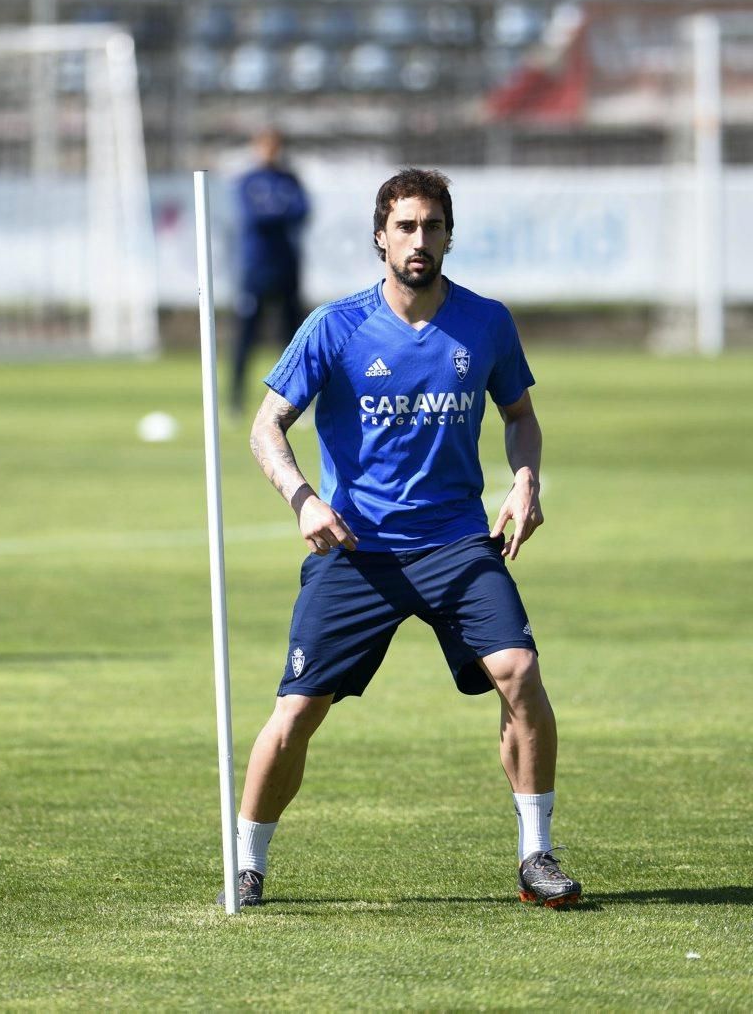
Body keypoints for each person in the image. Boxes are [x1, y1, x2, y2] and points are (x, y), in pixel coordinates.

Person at [226, 168, 581, 909]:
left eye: (433, 226)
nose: (420, 240)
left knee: (519, 674)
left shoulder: (486, 322)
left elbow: (519, 415)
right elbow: (267, 425)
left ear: (450, 234)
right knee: (296, 713)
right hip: (356, 549)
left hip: (456, 544)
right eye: (406, 227)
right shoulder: (335, 325)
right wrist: (302, 499)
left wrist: (525, 480)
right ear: (380, 237)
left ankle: (536, 855)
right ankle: (248, 863)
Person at [230, 128, 310, 414]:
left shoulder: (290, 180)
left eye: (274, 146)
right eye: (265, 146)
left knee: (293, 337)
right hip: (256, 268)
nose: (270, 152)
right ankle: (236, 399)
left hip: (287, 266)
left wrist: (273, 212)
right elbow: (253, 217)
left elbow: (302, 212)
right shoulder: (249, 182)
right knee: (246, 335)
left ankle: (296, 400)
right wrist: (279, 212)